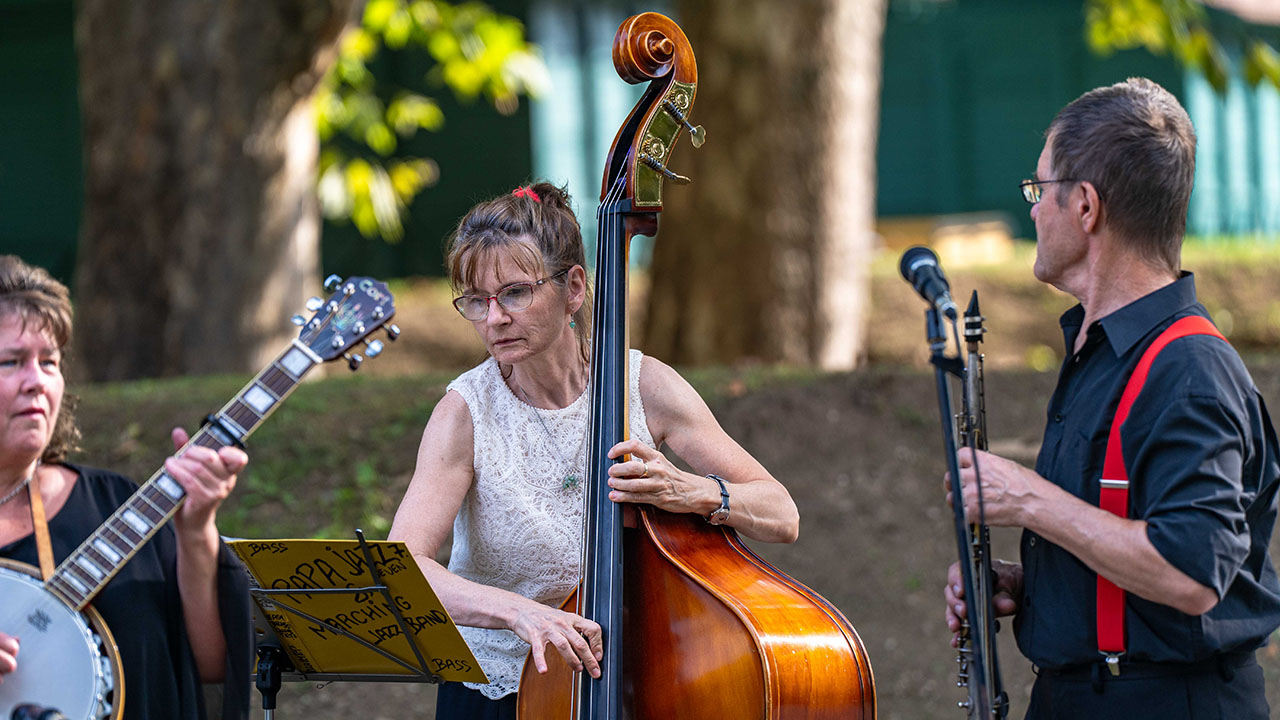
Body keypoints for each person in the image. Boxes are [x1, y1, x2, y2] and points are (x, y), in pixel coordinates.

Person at [389, 182, 800, 719]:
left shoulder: (644, 386)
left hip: (637, 683)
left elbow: (781, 512)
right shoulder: (464, 412)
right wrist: (522, 614)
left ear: (575, 288)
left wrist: (692, 491)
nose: (493, 319)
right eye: (475, 301)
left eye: (514, 292)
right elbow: (404, 569)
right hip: (500, 694)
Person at [942, 78, 1280, 719]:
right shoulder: (1101, 354)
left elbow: (1190, 574)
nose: (1034, 209)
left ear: (1087, 207)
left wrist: (1026, 499)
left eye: (1040, 190)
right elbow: (1119, 538)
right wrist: (1035, 585)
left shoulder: (1190, 369)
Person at [0, 256, 253, 719]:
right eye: (11, 362)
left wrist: (196, 530)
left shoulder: (120, 512)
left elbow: (211, 664)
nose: (37, 381)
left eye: (49, 362)